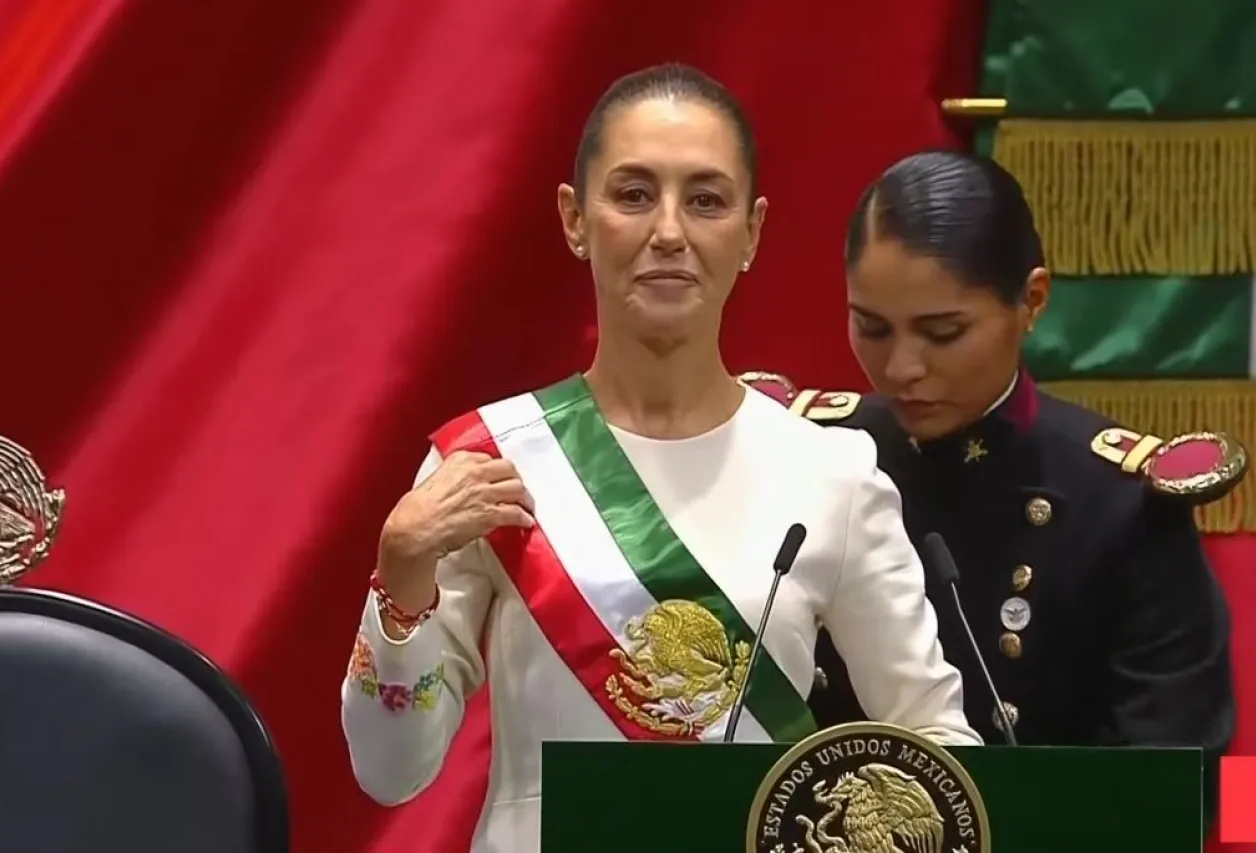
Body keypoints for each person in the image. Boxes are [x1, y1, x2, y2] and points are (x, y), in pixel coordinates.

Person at [340, 67, 981, 852]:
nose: (670, 231)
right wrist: (400, 571)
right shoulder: (485, 462)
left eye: (706, 200)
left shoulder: (833, 474)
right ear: (576, 220)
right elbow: (389, 769)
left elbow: (937, 748)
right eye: (634, 194)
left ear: (751, 232)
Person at [745, 149, 1239, 826]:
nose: (901, 367)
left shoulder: (1120, 504)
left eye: (943, 332)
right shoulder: (805, 457)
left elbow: (1182, 785)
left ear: (1031, 299)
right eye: (871, 326)